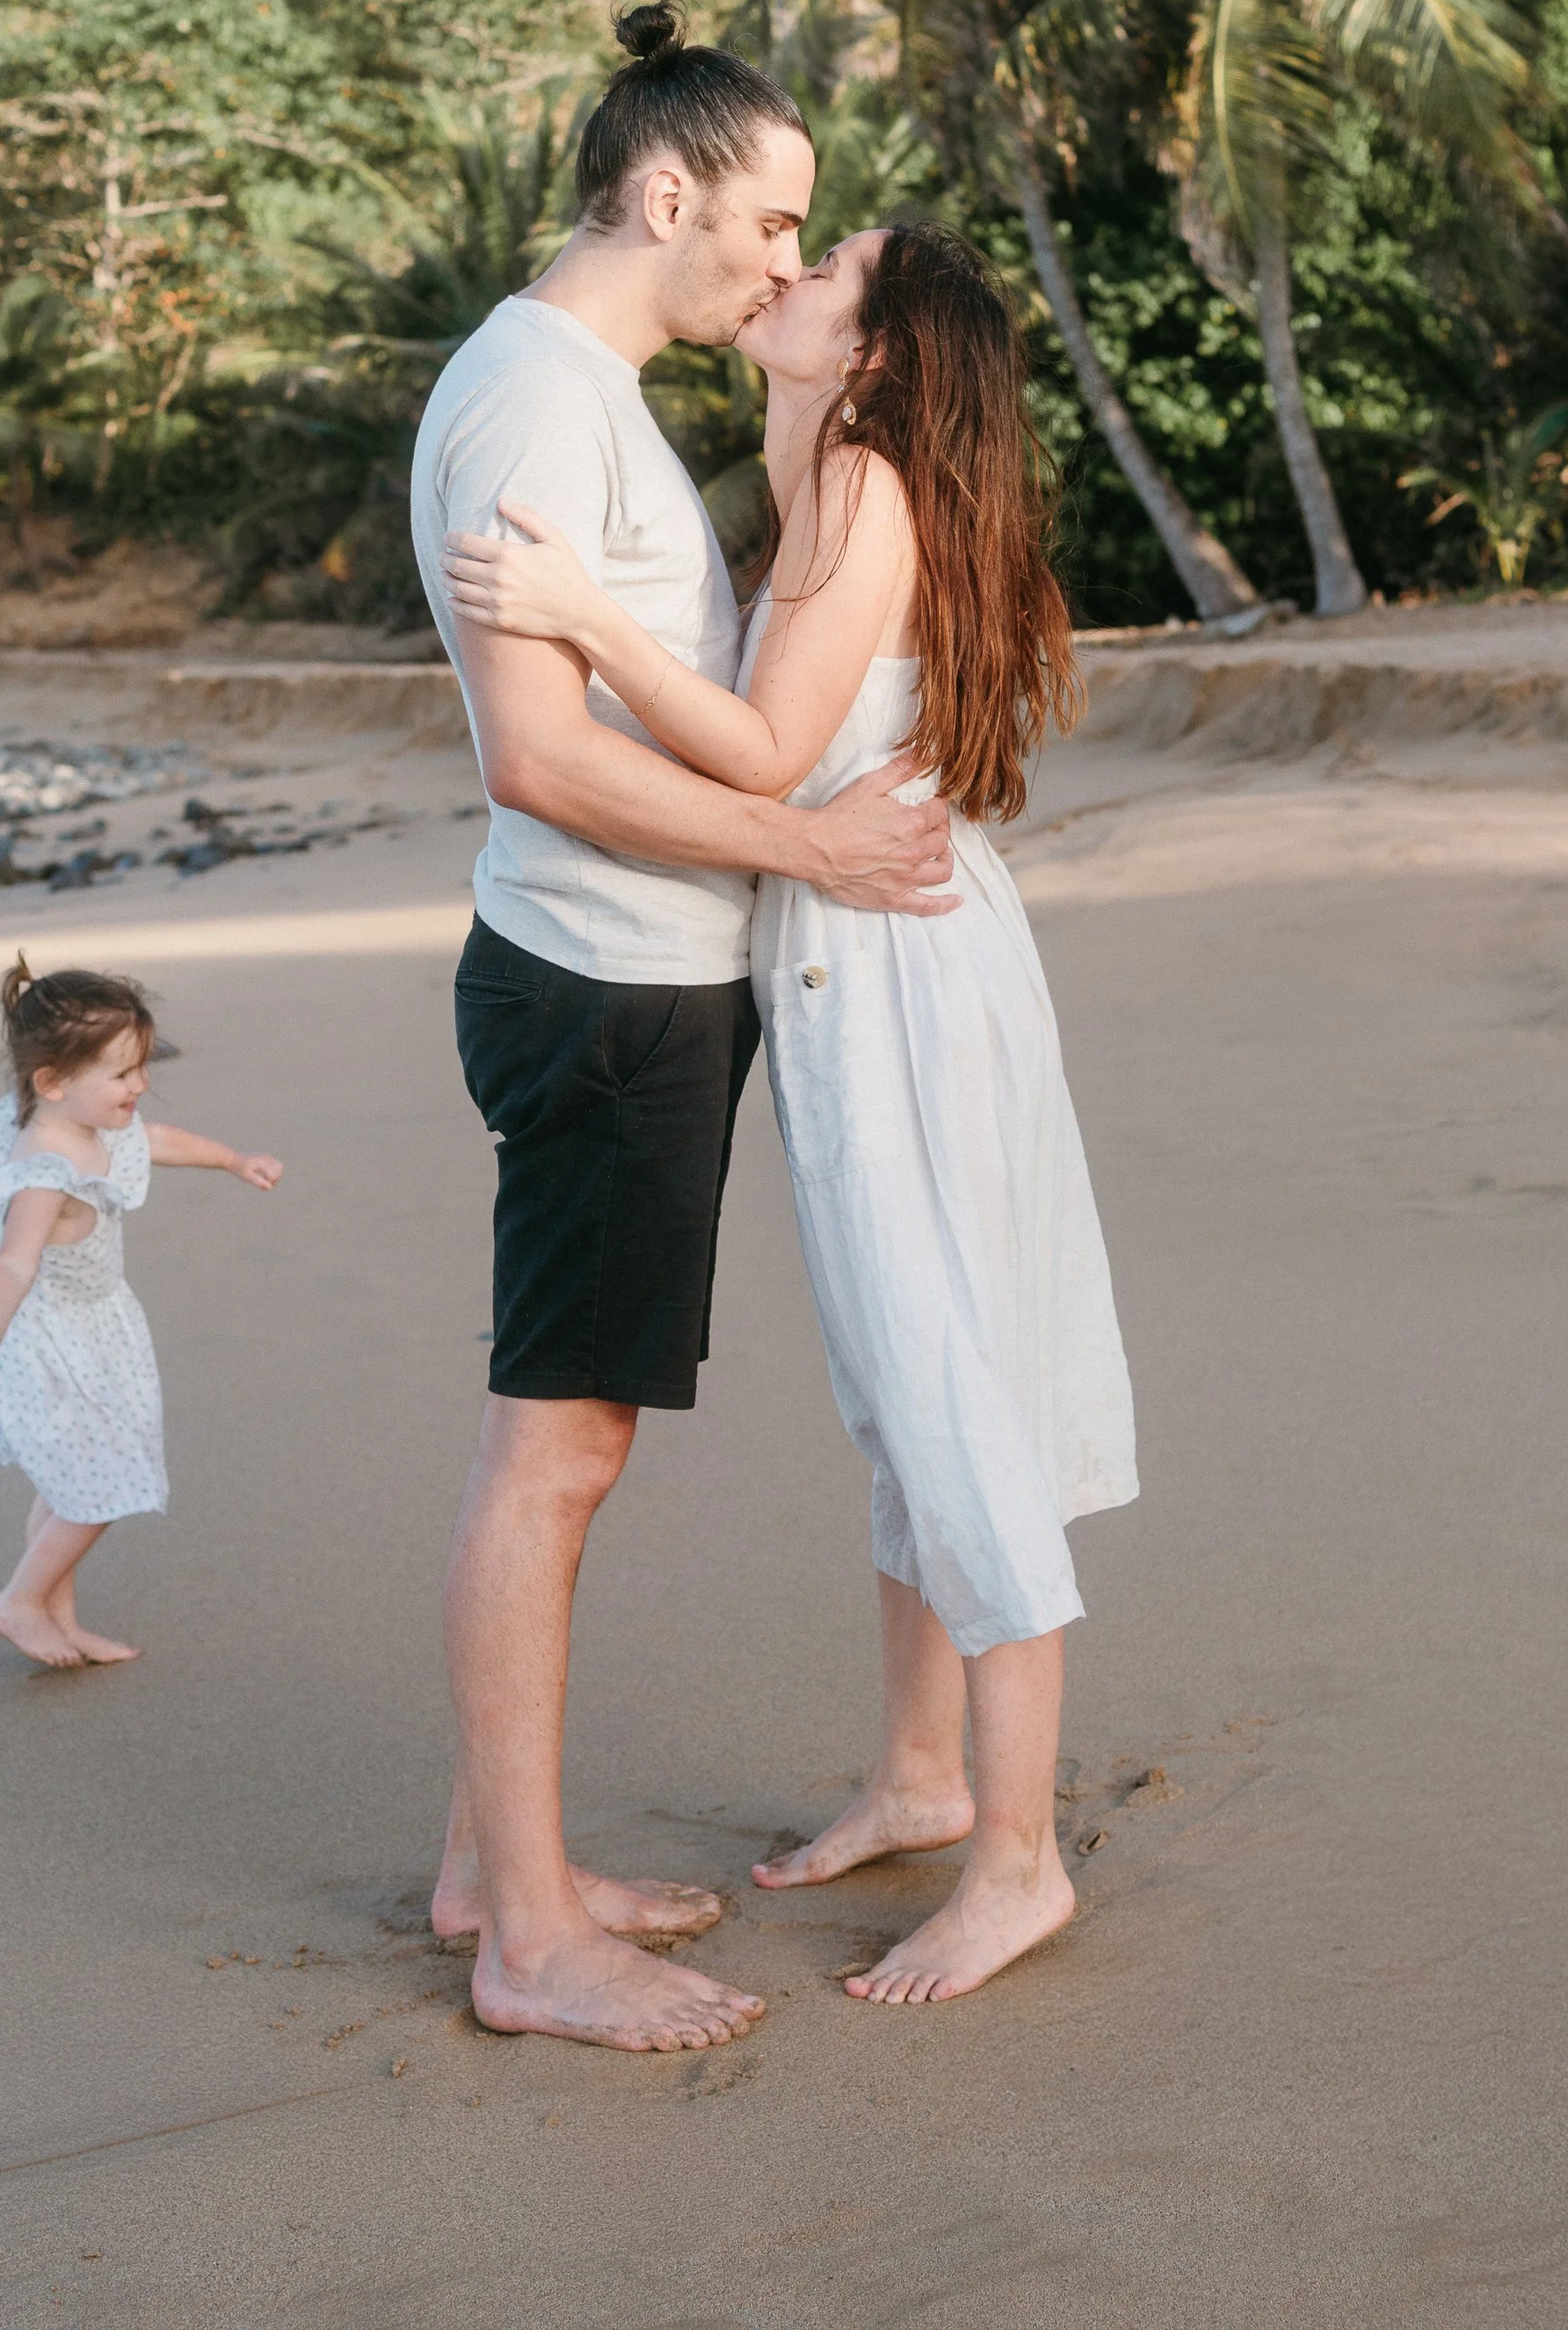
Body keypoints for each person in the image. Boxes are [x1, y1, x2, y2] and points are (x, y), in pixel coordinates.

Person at [445, 218, 1137, 2005]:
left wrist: (587, 620)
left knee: (948, 1376)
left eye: (827, 261)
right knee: (901, 1379)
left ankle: (1016, 1853)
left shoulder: (858, 492)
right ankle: (921, 1772)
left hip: (891, 971)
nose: (789, 268)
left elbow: (758, 756)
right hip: (875, 960)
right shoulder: (820, 474)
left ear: (878, 349)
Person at [409, 1, 956, 2057]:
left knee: (563, 1437)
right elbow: (535, 756)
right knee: (555, 1452)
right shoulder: (546, 404)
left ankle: (497, 1867)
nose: (786, 260)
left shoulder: (572, 385)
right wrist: (797, 846)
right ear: (668, 194)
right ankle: (530, 1938)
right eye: (775, 218)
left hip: (625, 983)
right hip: (605, 990)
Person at [0, 956, 283, 1669]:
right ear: (53, 1082)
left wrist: (231, 1160)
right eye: (123, 1074)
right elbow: (12, 1261)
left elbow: (155, 1141)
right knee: (98, 1489)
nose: (141, 1086)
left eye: (142, 1066)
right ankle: (20, 1602)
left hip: (94, 1327)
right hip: (42, 1337)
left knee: (71, 1483)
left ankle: (59, 1618)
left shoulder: (91, 1122)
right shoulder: (45, 1169)